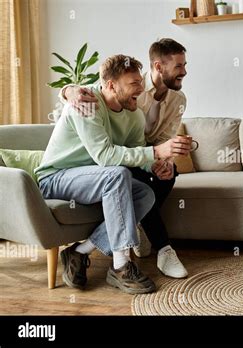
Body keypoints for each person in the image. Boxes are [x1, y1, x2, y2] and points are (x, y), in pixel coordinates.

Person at [35, 54, 169, 294]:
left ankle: (79, 251)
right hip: (56, 177)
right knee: (117, 175)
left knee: (145, 194)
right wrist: (154, 151)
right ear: (110, 85)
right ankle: (121, 267)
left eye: (140, 81)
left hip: (93, 179)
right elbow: (105, 157)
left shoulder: (134, 114)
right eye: (134, 84)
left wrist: (156, 163)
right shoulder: (86, 103)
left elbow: (135, 151)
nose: (141, 88)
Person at [61, 39, 190, 279]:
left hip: (137, 154)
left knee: (161, 180)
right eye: (179, 65)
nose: (184, 71)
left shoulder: (176, 101)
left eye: (185, 65)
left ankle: (91, 247)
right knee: (123, 174)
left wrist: (160, 162)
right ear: (159, 67)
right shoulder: (121, 93)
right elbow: (91, 92)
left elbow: (158, 140)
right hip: (109, 162)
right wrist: (68, 90)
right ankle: (156, 250)